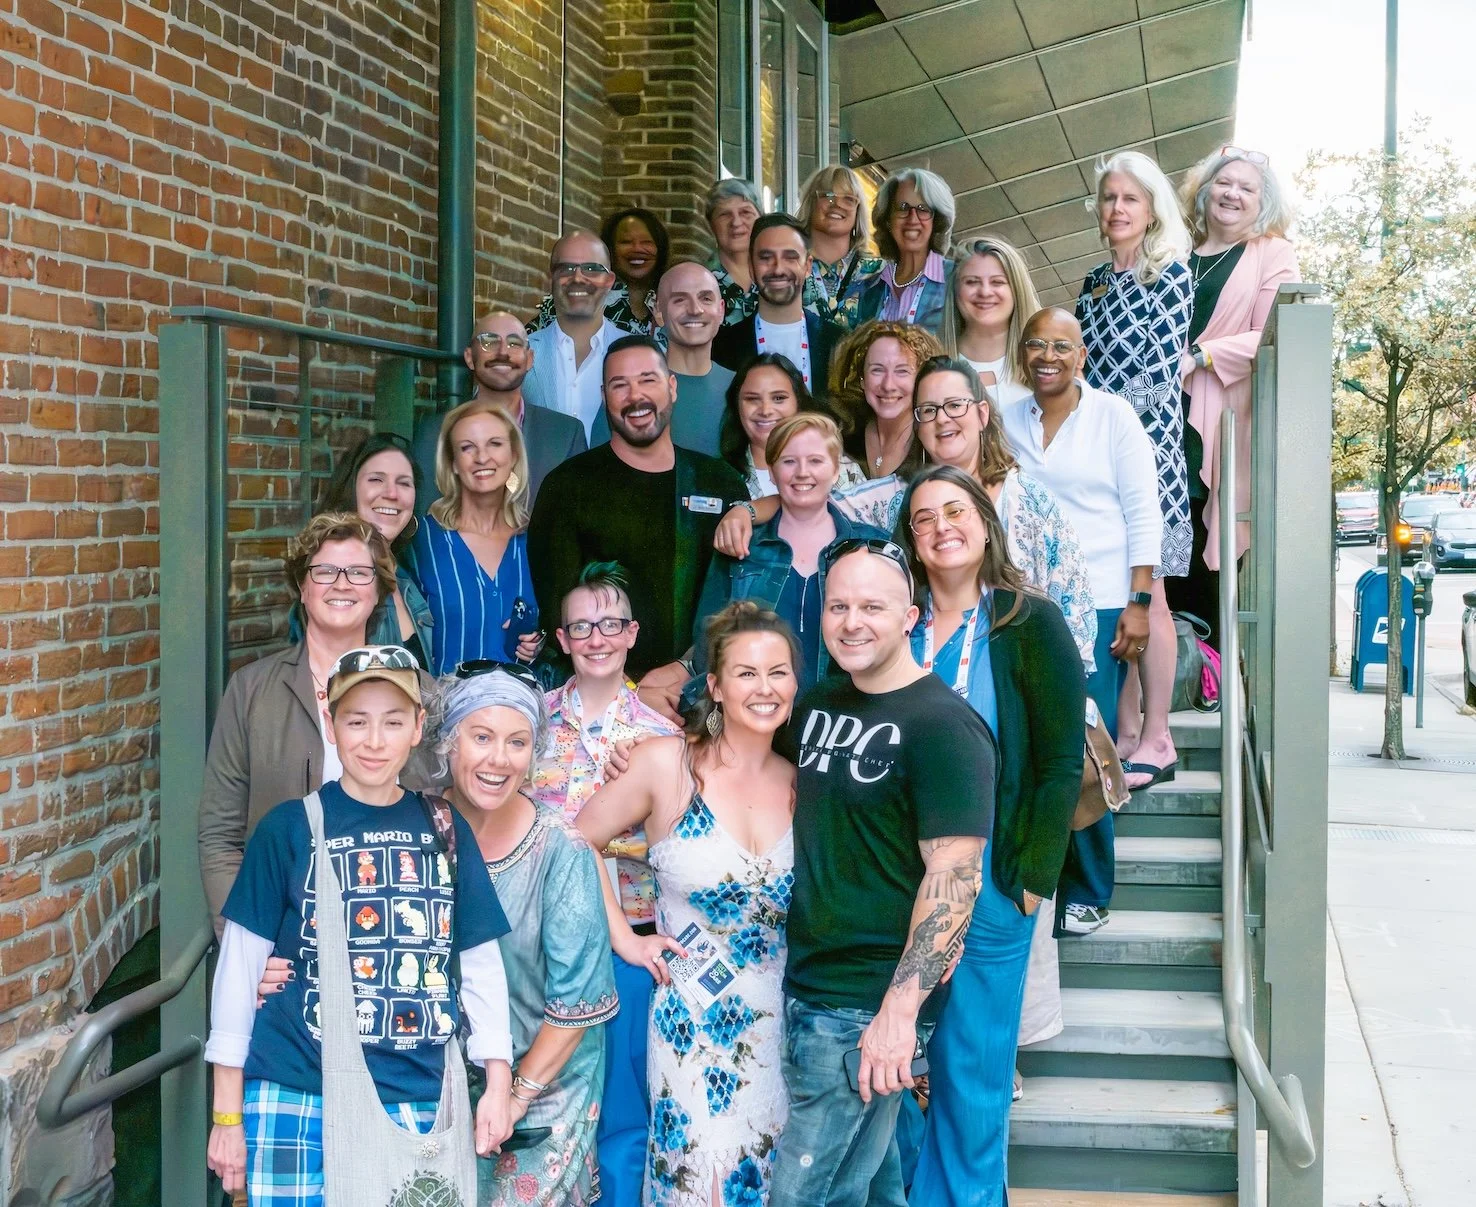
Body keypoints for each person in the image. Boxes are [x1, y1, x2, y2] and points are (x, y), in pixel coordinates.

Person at [203, 645, 514, 1204]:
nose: (375, 741)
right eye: (357, 721)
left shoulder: (443, 828)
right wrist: (227, 1115)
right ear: (330, 722)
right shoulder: (288, 828)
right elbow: (238, 971)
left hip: (413, 1089)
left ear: (419, 726)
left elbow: (478, 963)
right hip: (296, 1086)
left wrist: (496, 1079)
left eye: (393, 722)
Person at [769, 539, 996, 1207]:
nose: (852, 620)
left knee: (803, 1193)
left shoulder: (944, 726)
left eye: (873, 605)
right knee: (871, 1189)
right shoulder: (818, 705)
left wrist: (900, 1011)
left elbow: (955, 873)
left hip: (866, 1004)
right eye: (839, 605)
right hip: (810, 983)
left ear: (911, 616)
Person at [895, 467, 1085, 1206]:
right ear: (908, 541)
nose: (941, 526)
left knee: (971, 1074)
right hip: (894, 886)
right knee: (895, 1071)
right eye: (922, 518)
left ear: (984, 521)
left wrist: (1032, 880)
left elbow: (1060, 759)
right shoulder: (896, 621)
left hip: (994, 888)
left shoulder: (1025, 619)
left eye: (955, 510)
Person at [576, 601, 800, 1207]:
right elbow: (575, 841)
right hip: (692, 1029)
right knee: (697, 1184)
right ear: (716, 686)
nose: (764, 688)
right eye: (746, 673)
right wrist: (625, 936)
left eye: (778, 672)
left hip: (786, 1027)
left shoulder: (804, 779)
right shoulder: (666, 763)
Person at [713, 357, 1098, 675]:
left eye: (955, 405)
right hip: (924, 680)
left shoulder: (1032, 502)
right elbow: (810, 495)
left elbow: (1075, 613)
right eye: (928, 410)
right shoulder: (894, 499)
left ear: (982, 414)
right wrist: (747, 510)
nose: (942, 419)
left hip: (1022, 676)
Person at [429, 664, 617, 1205]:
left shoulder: (560, 850)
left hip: (544, 1085)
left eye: (517, 742)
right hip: (438, 1084)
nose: (498, 759)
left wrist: (511, 1097)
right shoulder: (417, 827)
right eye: (481, 737)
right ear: (448, 741)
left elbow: (578, 1003)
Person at [1000, 308, 1160, 936]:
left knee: (1082, 742)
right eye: (1036, 344)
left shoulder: (1113, 416)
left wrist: (1139, 602)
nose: (1048, 356)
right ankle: (1035, 875)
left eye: (1061, 345)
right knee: (1031, 743)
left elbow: (1143, 510)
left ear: (1082, 354)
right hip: (1022, 601)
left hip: (1096, 602)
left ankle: (1089, 888)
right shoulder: (1006, 416)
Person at [530, 561, 681, 1206]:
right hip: (536, 940)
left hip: (632, 942)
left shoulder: (664, 739)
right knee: (545, 1097)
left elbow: (679, 847)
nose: (596, 638)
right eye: (581, 627)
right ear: (562, 639)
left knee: (625, 1103)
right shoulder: (528, 724)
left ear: (632, 634)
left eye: (610, 625)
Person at [527, 336, 749, 720]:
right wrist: (631, 694)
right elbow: (557, 610)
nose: (635, 396)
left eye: (648, 380)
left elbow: (741, 596)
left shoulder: (719, 482)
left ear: (672, 386)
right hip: (603, 704)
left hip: (708, 694)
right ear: (604, 396)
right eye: (619, 385)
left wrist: (687, 670)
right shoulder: (567, 486)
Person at [197, 512, 396, 927]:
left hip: (389, 926)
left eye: (359, 572)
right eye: (324, 571)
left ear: (378, 591)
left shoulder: (414, 693)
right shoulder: (251, 689)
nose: (341, 583)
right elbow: (221, 835)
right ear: (302, 588)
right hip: (280, 931)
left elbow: (437, 822)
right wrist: (245, 943)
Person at [1076, 150, 1193, 789]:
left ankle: (1158, 736)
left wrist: (1107, 432)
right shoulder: (1092, 282)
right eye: (1109, 199)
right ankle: (1121, 734)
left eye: (1130, 199)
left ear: (1151, 210)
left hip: (1146, 462)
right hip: (1095, 463)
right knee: (1109, 598)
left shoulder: (1169, 273)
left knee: (1155, 598)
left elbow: (1155, 376)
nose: (1117, 209)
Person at [1174, 146, 1300, 646]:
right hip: (1163, 415)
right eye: (1225, 183)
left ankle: (1210, 677)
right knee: (1163, 545)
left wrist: (1202, 355)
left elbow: (1272, 332)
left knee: (1210, 545)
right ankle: (1170, 674)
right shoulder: (1175, 252)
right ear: (1204, 191)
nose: (1233, 194)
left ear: (1261, 203)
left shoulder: (1272, 252)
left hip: (1220, 419)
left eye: (1247, 188)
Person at [696, 413, 888, 695]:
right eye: (789, 461)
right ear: (772, 472)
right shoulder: (743, 546)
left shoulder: (871, 547)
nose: (802, 472)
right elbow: (707, 644)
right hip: (757, 713)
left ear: (835, 470)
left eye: (815, 460)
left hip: (844, 720)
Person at [409, 399, 541, 676]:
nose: (482, 457)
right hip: (443, 713)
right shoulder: (422, 540)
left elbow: (555, 622)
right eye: (467, 447)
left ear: (514, 455)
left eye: (495, 444)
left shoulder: (537, 540)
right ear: (453, 463)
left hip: (520, 711)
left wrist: (539, 639)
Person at [413, 310, 587, 513]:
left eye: (514, 343)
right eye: (489, 341)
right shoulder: (434, 432)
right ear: (469, 357)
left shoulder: (565, 434)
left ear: (530, 359)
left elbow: (578, 519)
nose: (503, 351)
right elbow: (425, 518)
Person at [312, 432, 435, 662]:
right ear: (351, 488)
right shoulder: (331, 577)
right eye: (376, 479)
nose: (391, 494)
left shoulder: (405, 579)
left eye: (404, 483)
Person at [592, 261, 734, 456]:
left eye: (706, 299)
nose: (695, 309)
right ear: (658, 311)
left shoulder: (742, 387)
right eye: (680, 300)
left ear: (721, 310)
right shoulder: (630, 393)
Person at [711, 213, 846, 401]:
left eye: (790, 258)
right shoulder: (721, 347)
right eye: (766, 258)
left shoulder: (840, 343)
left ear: (807, 266)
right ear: (751, 266)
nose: (778, 269)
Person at [524, 230, 628, 438]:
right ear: (551, 278)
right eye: (566, 268)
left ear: (609, 281)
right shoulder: (522, 352)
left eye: (591, 268)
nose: (578, 277)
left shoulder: (636, 352)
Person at [717, 353, 865, 499]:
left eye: (779, 398)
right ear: (736, 405)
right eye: (753, 399)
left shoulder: (841, 468)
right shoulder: (718, 478)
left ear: (798, 403)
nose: (766, 410)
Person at [526, 211, 669, 337]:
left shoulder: (673, 303)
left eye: (646, 242)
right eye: (626, 242)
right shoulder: (580, 295)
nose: (637, 248)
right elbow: (530, 343)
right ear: (609, 250)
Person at [830, 319, 940, 480]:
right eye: (877, 370)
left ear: (921, 380)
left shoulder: (931, 445)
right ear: (861, 379)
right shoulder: (843, 434)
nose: (888, 385)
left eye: (902, 371)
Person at [938, 237, 1040, 408]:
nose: (985, 292)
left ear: (1017, 291)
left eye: (997, 282)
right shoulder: (928, 363)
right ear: (955, 291)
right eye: (972, 282)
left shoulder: (1046, 360)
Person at [854, 167, 956, 335]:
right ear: (888, 220)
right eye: (903, 207)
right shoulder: (870, 289)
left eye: (923, 209)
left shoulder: (956, 279)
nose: (912, 218)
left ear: (936, 221)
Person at [796, 164, 882, 331]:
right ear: (810, 203)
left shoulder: (879, 273)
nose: (837, 204)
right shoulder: (788, 265)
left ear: (858, 212)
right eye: (828, 195)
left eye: (849, 199)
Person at [704, 178, 762, 325]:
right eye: (724, 214)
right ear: (710, 225)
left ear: (761, 219)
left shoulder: (780, 276)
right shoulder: (699, 284)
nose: (736, 222)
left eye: (745, 212)